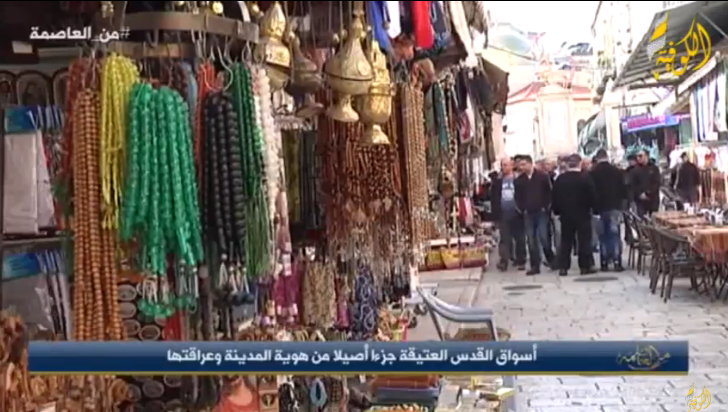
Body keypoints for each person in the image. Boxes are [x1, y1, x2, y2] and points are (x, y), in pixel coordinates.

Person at [552, 154, 597, 276]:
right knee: (584, 240)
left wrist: (557, 211)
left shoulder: (560, 179)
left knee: (566, 241)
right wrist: (592, 208)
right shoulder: (585, 178)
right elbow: (592, 195)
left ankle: (563, 266)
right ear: (580, 163)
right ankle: (584, 266)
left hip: (566, 214)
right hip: (583, 213)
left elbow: (555, 196)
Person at [515, 155, 555, 275]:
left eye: (523, 164)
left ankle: (551, 259)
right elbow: (517, 197)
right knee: (531, 240)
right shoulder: (520, 180)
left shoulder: (542, 176)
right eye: (520, 165)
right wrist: (522, 209)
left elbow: (549, 193)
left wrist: (546, 207)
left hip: (541, 212)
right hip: (528, 213)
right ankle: (535, 265)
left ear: (530, 163)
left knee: (544, 237)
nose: (521, 167)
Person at [590, 149, 627, 272]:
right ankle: (617, 261)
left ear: (597, 158)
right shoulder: (617, 171)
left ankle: (604, 261)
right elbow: (623, 189)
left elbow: (590, 191)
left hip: (598, 208)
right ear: (607, 157)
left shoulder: (592, 173)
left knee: (602, 236)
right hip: (614, 206)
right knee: (614, 235)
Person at [490, 158, 526, 271]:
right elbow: (494, 198)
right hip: (503, 213)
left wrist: (522, 209)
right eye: (502, 165)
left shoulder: (518, 180)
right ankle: (504, 261)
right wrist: (495, 215)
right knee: (504, 238)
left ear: (512, 166)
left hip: (517, 213)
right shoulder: (498, 182)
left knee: (519, 238)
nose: (503, 167)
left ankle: (521, 260)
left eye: (506, 165)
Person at [631, 149, 661, 216]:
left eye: (640, 156)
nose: (638, 158)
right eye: (637, 156)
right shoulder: (635, 170)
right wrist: (639, 194)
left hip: (653, 199)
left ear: (646, 156)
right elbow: (633, 185)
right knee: (641, 218)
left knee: (654, 218)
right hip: (640, 200)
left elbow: (657, 183)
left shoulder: (654, 168)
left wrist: (648, 193)